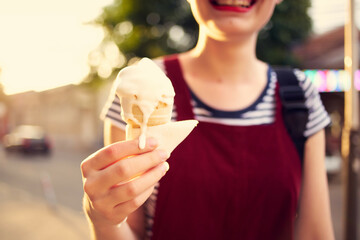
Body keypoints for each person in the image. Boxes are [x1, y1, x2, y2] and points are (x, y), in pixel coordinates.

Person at [80, 0, 335, 239]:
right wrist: (103, 219)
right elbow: (129, 229)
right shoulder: (139, 86)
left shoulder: (300, 95)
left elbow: (315, 234)